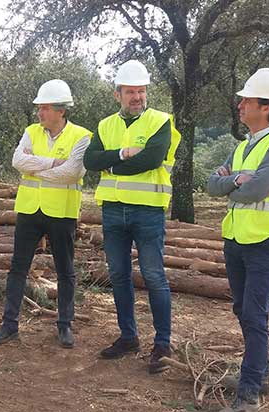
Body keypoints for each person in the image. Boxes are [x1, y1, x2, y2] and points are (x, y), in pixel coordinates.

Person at [206, 68, 269, 412]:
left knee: (255, 315)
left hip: (265, 243)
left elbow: (256, 190)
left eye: (247, 100)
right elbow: (212, 186)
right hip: (237, 240)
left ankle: (248, 395)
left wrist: (233, 185)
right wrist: (234, 181)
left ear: (267, 107)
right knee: (243, 310)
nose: (240, 104)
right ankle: (258, 374)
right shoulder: (243, 145)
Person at [83, 60, 181, 373]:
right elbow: (90, 160)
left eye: (141, 91)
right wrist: (121, 157)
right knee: (119, 275)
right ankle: (129, 337)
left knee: (154, 276)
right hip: (113, 210)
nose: (136, 96)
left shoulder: (161, 122)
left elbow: (152, 159)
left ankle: (162, 344)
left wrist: (109, 163)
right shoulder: (105, 125)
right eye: (130, 92)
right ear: (118, 95)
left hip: (147, 211)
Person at [0, 79, 91, 348]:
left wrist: (35, 168)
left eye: (44, 108)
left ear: (61, 111)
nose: (39, 113)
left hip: (62, 212)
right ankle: (9, 325)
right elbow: (17, 161)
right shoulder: (31, 131)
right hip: (29, 209)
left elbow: (72, 172)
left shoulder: (82, 136)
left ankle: (65, 325)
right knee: (17, 268)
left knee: (65, 270)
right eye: (39, 108)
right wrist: (52, 163)